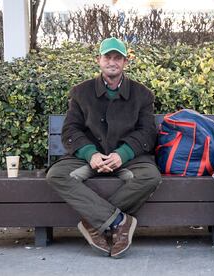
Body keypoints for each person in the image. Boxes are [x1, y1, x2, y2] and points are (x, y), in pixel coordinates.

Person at [46, 37, 162, 258]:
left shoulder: (142, 94)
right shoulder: (81, 92)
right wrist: (90, 154)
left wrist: (123, 153)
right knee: (56, 175)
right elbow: (71, 130)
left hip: (127, 158)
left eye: (117, 58)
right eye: (107, 57)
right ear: (98, 60)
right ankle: (119, 221)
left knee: (151, 176)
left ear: (125, 62)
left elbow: (147, 132)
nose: (112, 62)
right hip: (90, 157)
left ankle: (94, 223)